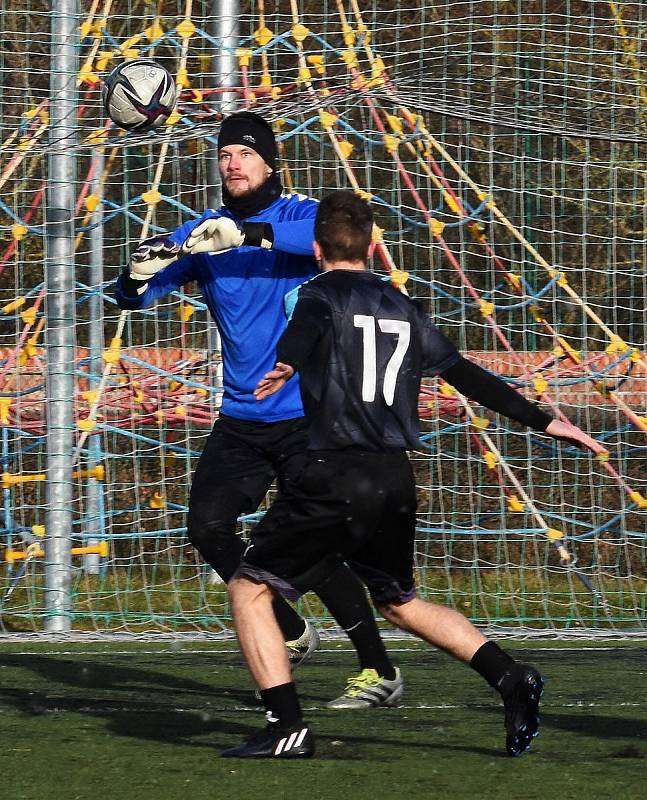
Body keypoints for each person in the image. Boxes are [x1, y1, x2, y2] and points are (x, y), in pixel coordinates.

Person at [222, 190, 606, 759]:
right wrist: (543, 420)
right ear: (373, 244)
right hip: (395, 478)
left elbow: (303, 331)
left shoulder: (317, 294)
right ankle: (510, 675)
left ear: (319, 247)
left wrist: (287, 363)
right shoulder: (403, 305)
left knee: (250, 590)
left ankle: (285, 727)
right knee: (399, 601)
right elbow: (465, 374)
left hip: (334, 472)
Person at [115, 112, 401, 703]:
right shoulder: (204, 233)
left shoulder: (300, 216)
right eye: (224, 154)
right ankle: (292, 630)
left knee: (318, 547)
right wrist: (136, 274)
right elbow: (134, 297)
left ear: (270, 162)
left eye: (245, 153)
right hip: (243, 418)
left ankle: (380, 668)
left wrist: (247, 236)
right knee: (207, 527)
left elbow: (338, 239)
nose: (233, 163)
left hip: (307, 415)